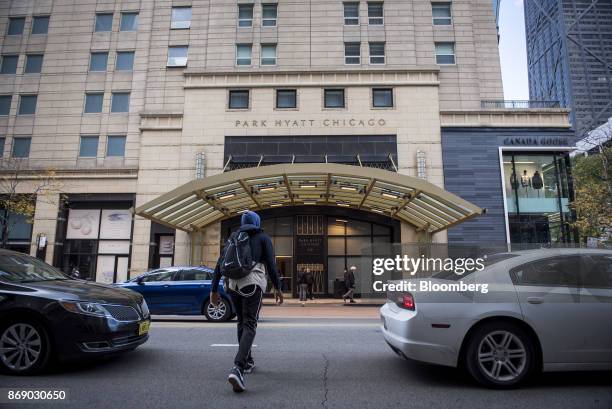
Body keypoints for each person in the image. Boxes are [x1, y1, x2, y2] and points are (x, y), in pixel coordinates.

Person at [210, 211, 284, 393]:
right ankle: (238, 367)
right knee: (250, 324)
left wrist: (213, 290)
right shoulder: (263, 237)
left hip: (232, 285)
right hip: (252, 284)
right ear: (257, 222)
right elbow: (271, 265)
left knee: (241, 323)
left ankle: (248, 361)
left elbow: (219, 264)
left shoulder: (233, 237)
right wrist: (278, 288)